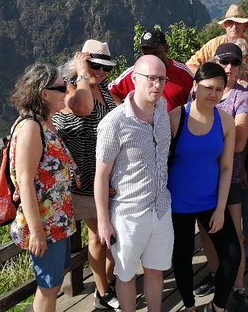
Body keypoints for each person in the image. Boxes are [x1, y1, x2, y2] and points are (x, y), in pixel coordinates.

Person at [94, 55, 174, 312]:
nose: (157, 84)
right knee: (126, 274)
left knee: (155, 270)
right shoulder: (114, 124)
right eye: (151, 78)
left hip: (161, 207)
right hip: (128, 213)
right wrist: (103, 221)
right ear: (134, 79)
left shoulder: (162, 109)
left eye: (161, 79)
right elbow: (101, 175)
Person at [168, 62, 239, 312]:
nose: (213, 94)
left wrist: (221, 208)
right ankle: (189, 306)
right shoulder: (176, 117)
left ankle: (217, 307)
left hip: (211, 201)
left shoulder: (226, 121)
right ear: (195, 86)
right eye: (208, 87)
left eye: (219, 89)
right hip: (178, 204)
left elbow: (227, 167)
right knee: (182, 257)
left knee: (232, 255)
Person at [53, 40, 118, 310]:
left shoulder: (101, 86)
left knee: (112, 237)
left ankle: (109, 280)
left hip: (110, 179)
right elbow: (83, 109)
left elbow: (118, 112)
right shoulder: (69, 88)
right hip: (86, 182)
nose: (101, 72)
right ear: (82, 61)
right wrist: (81, 72)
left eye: (105, 67)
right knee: (99, 237)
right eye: (95, 65)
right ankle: (102, 292)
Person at [8, 63, 79, 312]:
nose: (66, 91)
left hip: (56, 221)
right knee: (48, 286)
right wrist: (37, 233)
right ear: (44, 94)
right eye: (61, 87)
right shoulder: (30, 127)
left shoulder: (46, 122)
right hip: (45, 225)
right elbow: (25, 182)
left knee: (54, 280)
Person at [191, 44, 248, 312]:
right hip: (201, 176)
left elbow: (239, 143)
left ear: (241, 67)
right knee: (206, 230)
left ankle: (238, 287)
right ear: (215, 61)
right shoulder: (200, 90)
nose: (228, 68)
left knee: (234, 236)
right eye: (224, 62)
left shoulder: (243, 97)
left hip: (231, 175)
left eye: (234, 63)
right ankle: (218, 274)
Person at [109, 28, 193, 111]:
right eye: (146, 54)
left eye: (155, 53)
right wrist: (123, 113)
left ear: (166, 48)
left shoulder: (183, 73)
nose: (151, 58)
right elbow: (110, 92)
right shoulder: (136, 72)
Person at [186, 4, 248, 78]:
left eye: (238, 22)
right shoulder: (214, 44)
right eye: (230, 22)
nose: (234, 26)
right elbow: (190, 65)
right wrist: (210, 79)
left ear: (245, 25)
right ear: (225, 25)